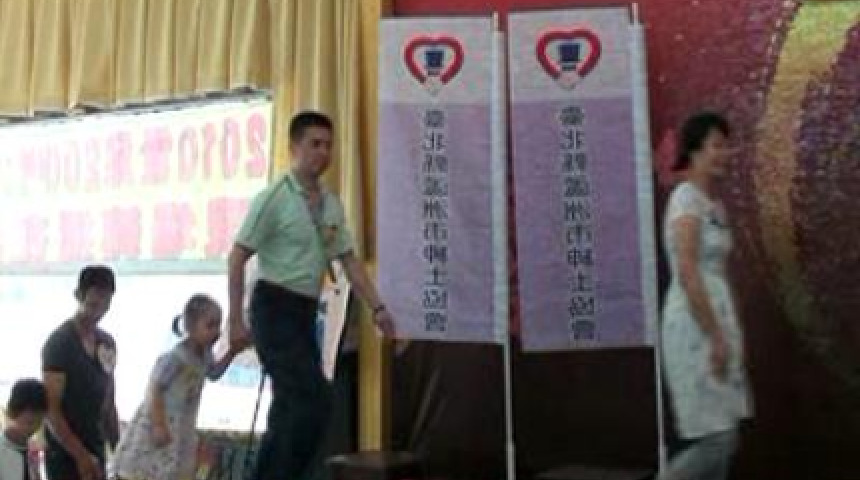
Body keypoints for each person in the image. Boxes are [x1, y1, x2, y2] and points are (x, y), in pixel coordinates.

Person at [227, 111, 395, 480]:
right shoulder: (274, 198)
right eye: (314, 144)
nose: (323, 152)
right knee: (311, 399)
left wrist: (378, 308)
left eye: (328, 145)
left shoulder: (331, 204)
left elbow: (349, 262)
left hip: (304, 312)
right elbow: (237, 257)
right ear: (294, 147)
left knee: (291, 407)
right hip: (273, 307)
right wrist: (235, 320)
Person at [660, 112, 752, 480]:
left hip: (718, 320)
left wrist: (731, 332)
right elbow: (687, 271)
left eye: (727, 146)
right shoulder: (686, 199)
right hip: (694, 325)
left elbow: (718, 273)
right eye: (717, 145)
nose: (725, 153)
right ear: (695, 150)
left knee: (727, 434)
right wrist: (714, 335)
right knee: (718, 439)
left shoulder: (714, 205)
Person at [111, 294, 241, 480]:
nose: (216, 332)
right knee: (148, 466)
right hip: (163, 418)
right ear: (191, 327)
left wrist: (232, 352)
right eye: (210, 325)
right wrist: (158, 423)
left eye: (218, 326)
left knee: (172, 467)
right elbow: (155, 388)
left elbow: (213, 374)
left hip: (182, 423)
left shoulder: (205, 356)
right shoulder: (176, 357)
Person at [42, 266, 119, 480]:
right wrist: (81, 455)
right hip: (63, 453)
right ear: (78, 295)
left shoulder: (107, 343)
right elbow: (51, 410)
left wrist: (119, 450)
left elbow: (108, 403)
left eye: (106, 303)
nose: (99, 311)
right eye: (93, 303)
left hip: (96, 446)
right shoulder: (59, 343)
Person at [1, 379, 47, 480]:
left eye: (39, 420)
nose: (34, 427)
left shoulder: (30, 449)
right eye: (30, 422)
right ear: (13, 412)